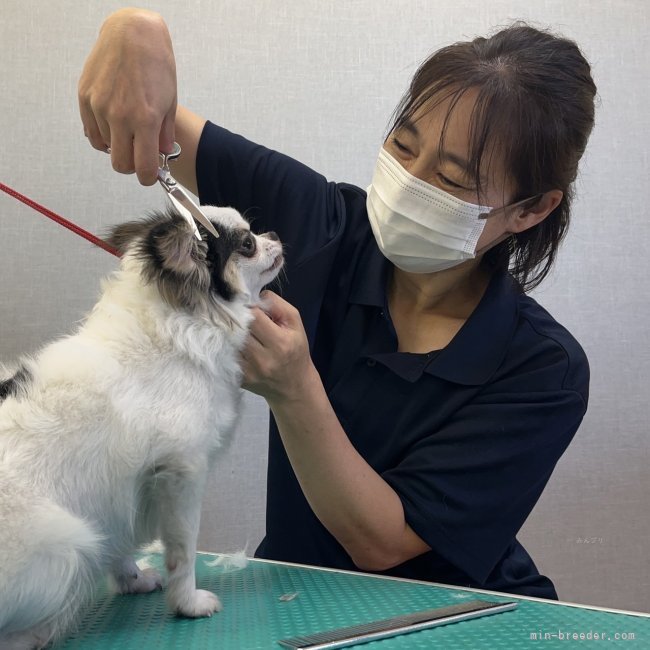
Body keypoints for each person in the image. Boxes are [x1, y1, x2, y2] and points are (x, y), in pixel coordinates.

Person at [79, 8, 596, 599]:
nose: (410, 180)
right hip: (290, 596)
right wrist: (131, 30)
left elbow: (381, 542)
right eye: (403, 145)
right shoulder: (325, 223)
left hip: (454, 618)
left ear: (530, 210)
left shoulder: (542, 368)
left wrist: (295, 387)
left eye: (452, 178)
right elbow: (155, 120)